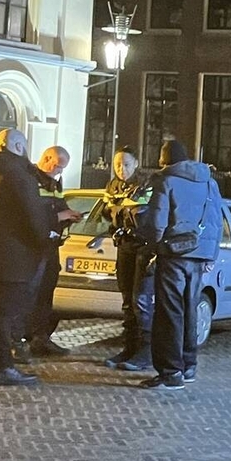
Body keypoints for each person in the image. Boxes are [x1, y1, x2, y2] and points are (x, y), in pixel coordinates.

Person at [0, 130, 64, 386]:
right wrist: (48, 235)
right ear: (18, 146)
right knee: (4, 314)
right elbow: (35, 221)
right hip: (14, 259)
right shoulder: (19, 177)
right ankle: (4, 368)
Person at [136, 139, 224, 390]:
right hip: (199, 255)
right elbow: (216, 221)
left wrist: (151, 243)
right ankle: (189, 365)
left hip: (173, 254)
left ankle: (170, 371)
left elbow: (156, 224)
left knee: (169, 312)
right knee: (189, 309)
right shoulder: (209, 181)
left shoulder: (166, 181)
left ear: (165, 161)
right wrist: (210, 255)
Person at [100, 147, 151, 370]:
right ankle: (129, 348)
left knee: (140, 300)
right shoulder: (113, 185)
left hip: (143, 247)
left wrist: (119, 211)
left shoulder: (146, 184)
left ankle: (144, 352)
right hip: (124, 246)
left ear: (136, 163)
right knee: (126, 299)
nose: (122, 169)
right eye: (118, 164)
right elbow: (105, 211)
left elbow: (142, 213)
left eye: (126, 164)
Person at [24, 146, 78, 358]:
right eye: (58, 167)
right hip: (34, 247)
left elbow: (58, 205)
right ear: (47, 159)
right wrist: (60, 216)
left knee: (46, 293)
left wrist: (68, 215)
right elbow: (31, 214)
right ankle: (21, 340)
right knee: (30, 294)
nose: (60, 172)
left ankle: (41, 338)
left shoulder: (54, 182)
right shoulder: (30, 180)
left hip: (50, 246)